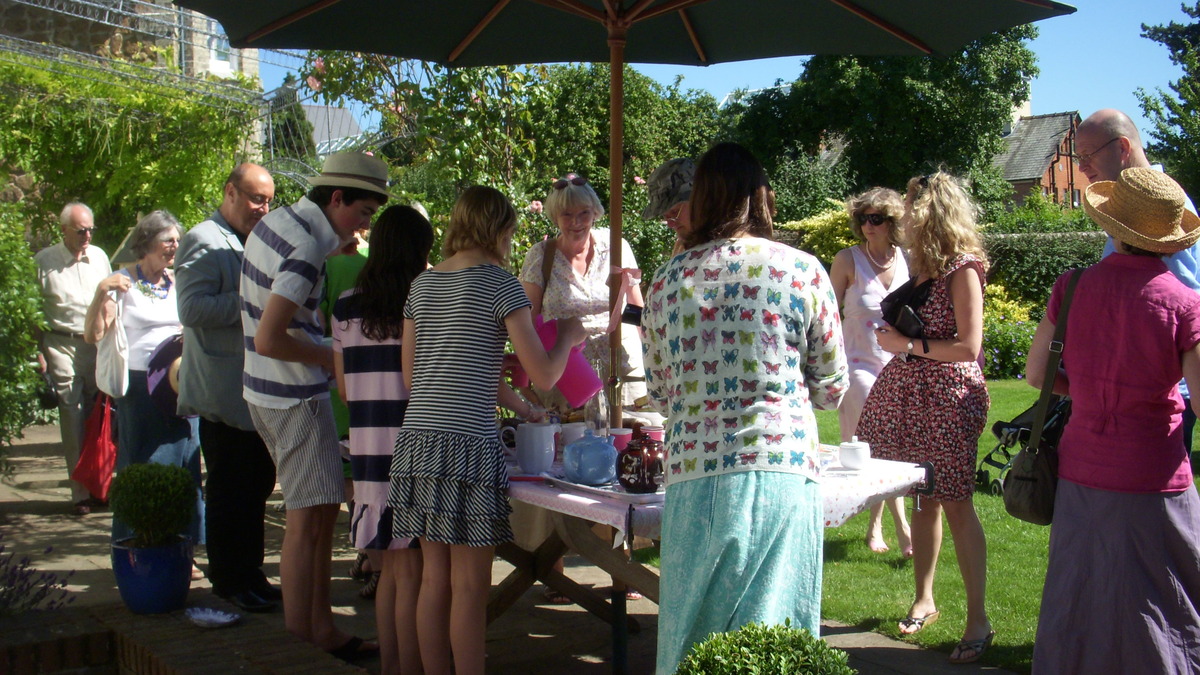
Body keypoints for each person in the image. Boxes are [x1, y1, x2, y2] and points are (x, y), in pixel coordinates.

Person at [642, 142, 848, 674]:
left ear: (702, 198)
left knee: (691, 634)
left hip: (695, 472)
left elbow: (661, 394)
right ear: (761, 197)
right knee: (776, 635)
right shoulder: (801, 270)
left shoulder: (665, 282)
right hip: (782, 468)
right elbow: (832, 387)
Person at [387, 186, 586, 675]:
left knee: (434, 580)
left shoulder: (422, 285)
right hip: (467, 448)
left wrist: (514, 395)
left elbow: (417, 377)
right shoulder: (501, 285)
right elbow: (545, 375)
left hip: (416, 443)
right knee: (471, 587)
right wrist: (566, 338)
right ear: (499, 230)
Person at [1026, 168, 1200, 673]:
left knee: (1080, 595)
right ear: (1166, 240)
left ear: (1114, 227)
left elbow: (1037, 374)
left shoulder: (1072, 286)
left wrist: (1089, 390)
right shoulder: (1186, 303)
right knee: (1163, 600)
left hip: (1082, 467)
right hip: (1155, 472)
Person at [239, 152, 388, 660]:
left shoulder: (280, 221)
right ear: (337, 198)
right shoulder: (305, 247)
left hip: (267, 392)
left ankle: (311, 631)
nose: (364, 227)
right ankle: (312, 637)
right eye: (363, 213)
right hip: (292, 396)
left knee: (317, 515)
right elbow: (270, 338)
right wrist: (336, 358)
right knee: (310, 522)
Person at [855, 171, 992, 664]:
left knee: (955, 502)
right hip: (913, 396)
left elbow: (968, 347)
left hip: (948, 399)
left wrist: (905, 344)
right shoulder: (926, 268)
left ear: (933, 215)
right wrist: (897, 337)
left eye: (912, 211)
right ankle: (924, 600)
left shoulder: (963, 269)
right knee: (922, 498)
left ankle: (978, 621)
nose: (904, 220)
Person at [332, 205, 433, 675]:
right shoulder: (424, 300)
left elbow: (344, 389)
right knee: (413, 573)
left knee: (391, 569)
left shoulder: (346, 304)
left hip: (368, 446)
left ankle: (393, 665)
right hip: (415, 445)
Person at [175, 163, 280, 613]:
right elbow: (192, 309)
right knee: (229, 490)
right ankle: (229, 580)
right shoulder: (204, 239)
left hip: (255, 391)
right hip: (223, 394)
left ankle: (250, 573)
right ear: (230, 193)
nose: (263, 209)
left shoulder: (254, 240)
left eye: (269, 201)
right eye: (256, 199)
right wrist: (253, 301)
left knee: (255, 485)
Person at [1077, 108, 1200, 458]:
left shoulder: (1164, 214)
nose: (1082, 167)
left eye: (1088, 154)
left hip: (1159, 396)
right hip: (1130, 390)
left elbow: (1185, 309)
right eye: (1078, 157)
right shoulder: (1133, 208)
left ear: (1123, 147)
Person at [83, 210, 204, 545]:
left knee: (184, 464)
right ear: (147, 242)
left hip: (179, 384)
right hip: (140, 389)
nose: (175, 246)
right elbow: (93, 335)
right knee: (142, 463)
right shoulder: (121, 283)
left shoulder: (178, 282)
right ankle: (137, 544)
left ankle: (183, 546)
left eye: (178, 240)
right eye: (168, 240)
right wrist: (101, 292)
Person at [828, 188, 913, 557]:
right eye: (862, 218)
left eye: (876, 218)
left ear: (892, 222)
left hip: (898, 365)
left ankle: (875, 524)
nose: (868, 225)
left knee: (887, 448)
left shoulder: (907, 260)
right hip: (857, 365)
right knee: (877, 440)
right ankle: (903, 527)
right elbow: (827, 315)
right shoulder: (847, 260)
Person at [518, 172, 647, 410]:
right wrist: (525, 376)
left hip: (622, 371)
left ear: (595, 212)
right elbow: (527, 323)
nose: (576, 222)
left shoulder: (616, 247)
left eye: (583, 213)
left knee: (632, 431)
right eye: (567, 214)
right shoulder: (541, 256)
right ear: (555, 217)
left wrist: (652, 354)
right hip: (569, 377)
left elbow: (635, 307)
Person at [35, 202, 112, 515]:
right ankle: (79, 493)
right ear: (63, 230)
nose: (87, 236)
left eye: (90, 229)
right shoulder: (44, 262)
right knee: (72, 413)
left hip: (95, 345)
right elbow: (33, 310)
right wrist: (37, 352)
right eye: (81, 231)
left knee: (98, 416)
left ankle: (98, 487)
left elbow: (111, 301)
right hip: (60, 343)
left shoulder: (100, 257)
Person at [643, 157, 695, 247]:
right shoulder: (681, 245)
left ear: (699, 200)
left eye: (675, 212)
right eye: (665, 217)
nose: (671, 224)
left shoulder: (722, 245)